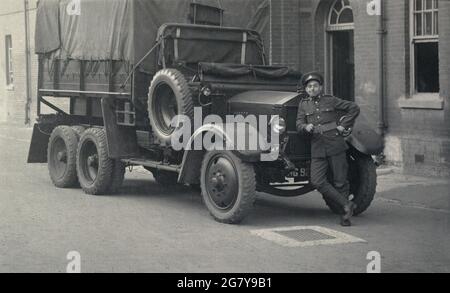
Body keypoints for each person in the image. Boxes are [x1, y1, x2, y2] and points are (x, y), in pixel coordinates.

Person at [296, 72, 360, 227]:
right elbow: (298, 124)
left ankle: (345, 215)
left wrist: (343, 126)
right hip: (317, 146)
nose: (312, 88)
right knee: (317, 181)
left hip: (335, 144)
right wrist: (305, 126)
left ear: (321, 87)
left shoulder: (330, 100)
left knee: (340, 181)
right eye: (309, 86)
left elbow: (354, 107)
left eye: (315, 86)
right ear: (306, 89)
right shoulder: (303, 104)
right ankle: (346, 204)